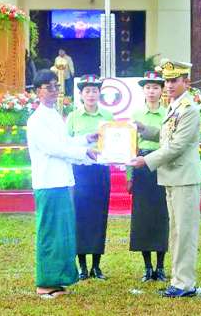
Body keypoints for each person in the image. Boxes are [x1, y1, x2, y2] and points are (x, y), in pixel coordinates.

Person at [132, 60, 201, 298]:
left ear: (186, 82)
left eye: (174, 80)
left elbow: (176, 146)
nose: (169, 85)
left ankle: (185, 284)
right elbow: (166, 136)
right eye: (168, 81)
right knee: (176, 232)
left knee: (185, 233)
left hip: (184, 178)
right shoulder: (175, 106)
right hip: (173, 177)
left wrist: (145, 161)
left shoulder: (189, 109)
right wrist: (144, 129)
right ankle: (178, 279)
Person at [26, 69, 99, 299]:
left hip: (61, 181)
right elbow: (53, 148)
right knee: (50, 233)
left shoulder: (55, 115)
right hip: (48, 183)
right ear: (37, 91)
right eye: (48, 87)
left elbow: (65, 142)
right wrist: (84, 152)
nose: (54, 90)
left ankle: (57, 280)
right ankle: (45, 283)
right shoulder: (36, 120)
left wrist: (86, 139)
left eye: (56, 86)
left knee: (62, 233)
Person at [66, 75, 113, 280]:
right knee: (81, 217)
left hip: (100, 171)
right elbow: (66, 144)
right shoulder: (73, 117)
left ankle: (96, 265)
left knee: (99, 217)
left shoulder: (107, 116)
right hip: (80, 171)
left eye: (94, 91)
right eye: (87, 91)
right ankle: (82, 266)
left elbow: (115, 142)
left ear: (99, 93)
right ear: (81, 94)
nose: (91, 95)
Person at [128, 71, 169, 283]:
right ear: (143, 90)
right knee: (142, 216)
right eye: (148, 87)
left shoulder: (168, 114)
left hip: (161, 165)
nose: (151, 91)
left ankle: (160, 267)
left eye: (155, 87)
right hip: (140, 166)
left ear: (162, 91)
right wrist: (129, 175)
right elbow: (130, 147)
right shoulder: (136, 114)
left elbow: (170, 141)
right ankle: (147, 267)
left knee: (161, 215)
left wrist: (147, 130)